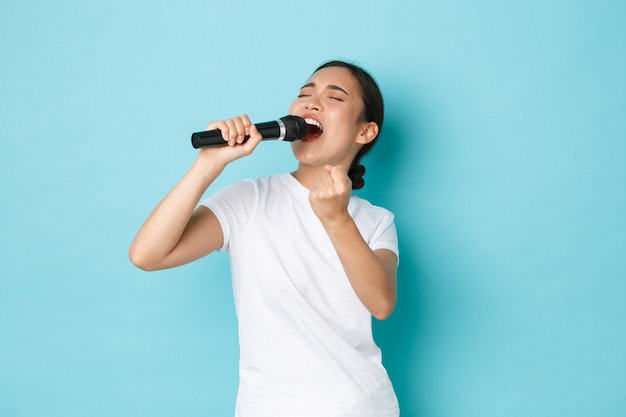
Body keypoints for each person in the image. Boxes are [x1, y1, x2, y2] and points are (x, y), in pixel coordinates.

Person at [129, 60, 400, 417]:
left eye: (333, 97)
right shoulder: (249, 199)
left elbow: (381, 303)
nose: (311, 103)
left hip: (361, 406)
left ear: (365, 132)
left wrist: (336, 219)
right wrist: (208, 164)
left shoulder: (375, 221)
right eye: (304, 94)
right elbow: (147, 255)